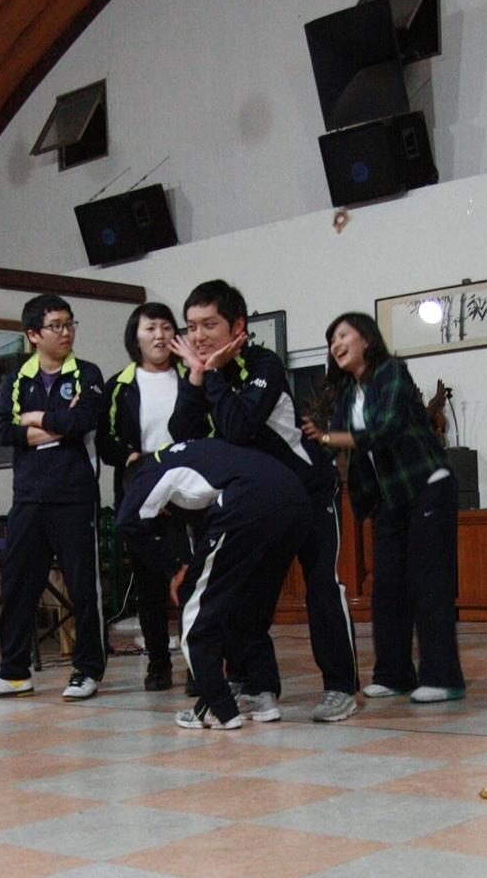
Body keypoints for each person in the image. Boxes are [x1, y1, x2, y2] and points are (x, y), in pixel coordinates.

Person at [168, 279, 359, 724]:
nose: (198, 336)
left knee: (322, 587)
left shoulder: (264, 364)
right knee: (244, 592)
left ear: (237, 326)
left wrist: (212, 374)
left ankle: (340, 688)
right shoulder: (202, 373)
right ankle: (258, 687)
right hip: (266, 505)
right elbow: (183, 435)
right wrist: (196, 377)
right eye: (191, 327)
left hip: (311, 492)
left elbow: (239, 424)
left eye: (209, 325)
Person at [303, 313, 464, 703]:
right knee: (387, 588)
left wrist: (328, 437)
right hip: (391, 497)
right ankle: (394, 675)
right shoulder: (347, 392)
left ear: (367, 339)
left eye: (343, 335)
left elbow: (384, 428)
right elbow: (330, 445)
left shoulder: (391, 372)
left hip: (428, 486)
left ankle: (443, 678)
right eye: (331, 340)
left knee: (428, 585)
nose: (336, 344)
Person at [117, 439, 312, 729]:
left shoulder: (148, 470)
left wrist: (174, 569)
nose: (164, 514)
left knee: (193, 606)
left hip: (249, 500)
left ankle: (217, 708)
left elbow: (127, 521)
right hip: (294, 499)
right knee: (247, 600)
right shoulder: (191, 455)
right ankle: (259, 693)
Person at [0, 293, 105, 701]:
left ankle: (86, 670)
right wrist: (58, 425)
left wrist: (33, 418)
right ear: (33, 334)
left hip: (73, 496)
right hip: (28, 498)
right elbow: (2, 431)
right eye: (55, 326)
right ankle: (14, 672)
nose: (66, 332)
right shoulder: (17, 379)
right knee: (17, 587)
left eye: (69, 323)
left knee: (83, 588)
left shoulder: (87, 373)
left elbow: (84, 420)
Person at [97, 301, 205, 692]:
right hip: (140, 488)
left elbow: (203, 427)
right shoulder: (119, 385)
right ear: (136, 337)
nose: (159, 336)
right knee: (149, 584)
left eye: (166, 327)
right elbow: (106, 440)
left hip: (187, 488)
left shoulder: (191, 376)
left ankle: (198, 664)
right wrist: (133, 461)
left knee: (192, 578)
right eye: (150, 328)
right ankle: (158, 663)